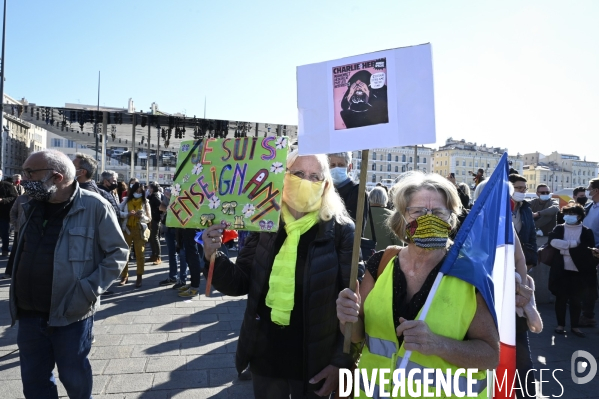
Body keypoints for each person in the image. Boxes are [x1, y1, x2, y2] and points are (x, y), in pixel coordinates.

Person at [201, 150, 361, 398]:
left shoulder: (341, 230)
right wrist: (214, 256)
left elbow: (352, 305)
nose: (306, 181)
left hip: (314, 363)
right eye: (298, 173)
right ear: (283, 177)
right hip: (266, 356)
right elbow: (240, 281)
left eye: (314, 176)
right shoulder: (265, 222)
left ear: (325, 184)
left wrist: (339, 362)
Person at [337, 172, 498, 397]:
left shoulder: (469, 274)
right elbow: (357, 335)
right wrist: (346, 318)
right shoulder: (381, 264)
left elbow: (490, 356)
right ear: (403, 217)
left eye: (438, 212)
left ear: (451, 218)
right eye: (418, 211)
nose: (428, 218)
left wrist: (439, 345)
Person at [10, 149, 128, 398]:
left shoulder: (95, 206)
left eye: (31, 173)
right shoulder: (30, 205)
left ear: (57, 176)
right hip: (29, 314)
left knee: (74, 377)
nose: (25, 178)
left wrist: (88, 290)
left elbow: (117, 253)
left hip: (71, 313)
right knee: (34, 382)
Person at [548, 204, 597, 337]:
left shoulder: (587, 231)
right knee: (561, 298)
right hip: (560, 269)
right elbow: (553, 242)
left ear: (579, 216)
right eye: (566, 213)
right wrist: (573, 245)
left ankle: (575, 326)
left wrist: (564, 248)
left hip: (578, 271)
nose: (568, 216)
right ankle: (560, 325)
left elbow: (586, 250)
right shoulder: (559, 228)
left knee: (576, 300)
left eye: (571, 213)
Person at [118, 182, 151, 288]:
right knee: (124, 254)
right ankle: (124, 276)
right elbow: (118, 212)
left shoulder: (145, 202)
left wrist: (141, 216)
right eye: (136, 190)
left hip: (139, 229)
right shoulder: (126, 201)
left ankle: (139, 277)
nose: (138, 193)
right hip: (127, 229)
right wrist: (128, 214)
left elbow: (149, 218)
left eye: (140, 191)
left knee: (140, 254)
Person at [328, 152, 369, 234]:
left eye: (340, 165)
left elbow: (358, 228)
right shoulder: (325, 190)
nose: (336, 168)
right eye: (332, 165)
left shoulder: (358, 192)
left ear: (349, 167)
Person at [158, 187, 188, 288]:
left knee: (183, 253)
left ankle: (183, 279)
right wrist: (168, 208)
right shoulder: (169, 189)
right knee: (172, 253)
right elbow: (161, 206)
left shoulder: (186, 189)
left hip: (181, 227)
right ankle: (173, 277)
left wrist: (173, 200)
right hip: (168, 226)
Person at [580, 178, 599, 326]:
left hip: (597, 250)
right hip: (588, 252)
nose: (588, 190)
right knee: (588, 284)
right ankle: (588, 315)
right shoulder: (589, 206)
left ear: (596, 191)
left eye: (589, 188)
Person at [508, 174, 538, 268]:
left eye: (525, 188)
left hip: (522, 260)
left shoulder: (526, 209)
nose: (523, 191)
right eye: (519, 187)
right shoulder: (500, 209)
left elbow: (532, 236)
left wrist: (532, 260)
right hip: (504, 258)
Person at [364, 186, 400, 251]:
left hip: (364, 257)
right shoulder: (393, 216)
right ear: (385, 199)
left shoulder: (361, 215)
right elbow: (399, 243)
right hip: (387, 258)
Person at [0, 173, 18, 256]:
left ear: (2, 175)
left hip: (3, 214)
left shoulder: (7, 186)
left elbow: (14, 197)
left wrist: (3, 200)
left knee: (4, 233)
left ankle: (5, 249)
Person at [147, 183, 163, 264]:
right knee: (151, 238)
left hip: (155, 219)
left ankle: (158, 257)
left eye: (149, 188)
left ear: (152, 189)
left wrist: (156, 212)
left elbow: (161, 206)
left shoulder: (155, 196)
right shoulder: (152, 195)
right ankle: (154, 255)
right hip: (151, 219)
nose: (148, 189)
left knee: (155, 237)